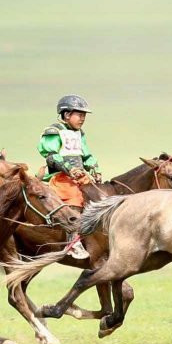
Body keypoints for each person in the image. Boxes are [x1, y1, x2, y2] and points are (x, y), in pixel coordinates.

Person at [37, 94, 101, 258]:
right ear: (66, 114)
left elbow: (86, 155)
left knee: (100, 195)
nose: (82, 119)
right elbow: (51, 156)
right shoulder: (54, 131)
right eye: (79, 115)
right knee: (74, 199)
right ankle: (73, 243)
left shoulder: (80, 134)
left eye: (84, 115)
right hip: (61, 177)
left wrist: (94, 168)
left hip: (80, 177)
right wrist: (69, 169)